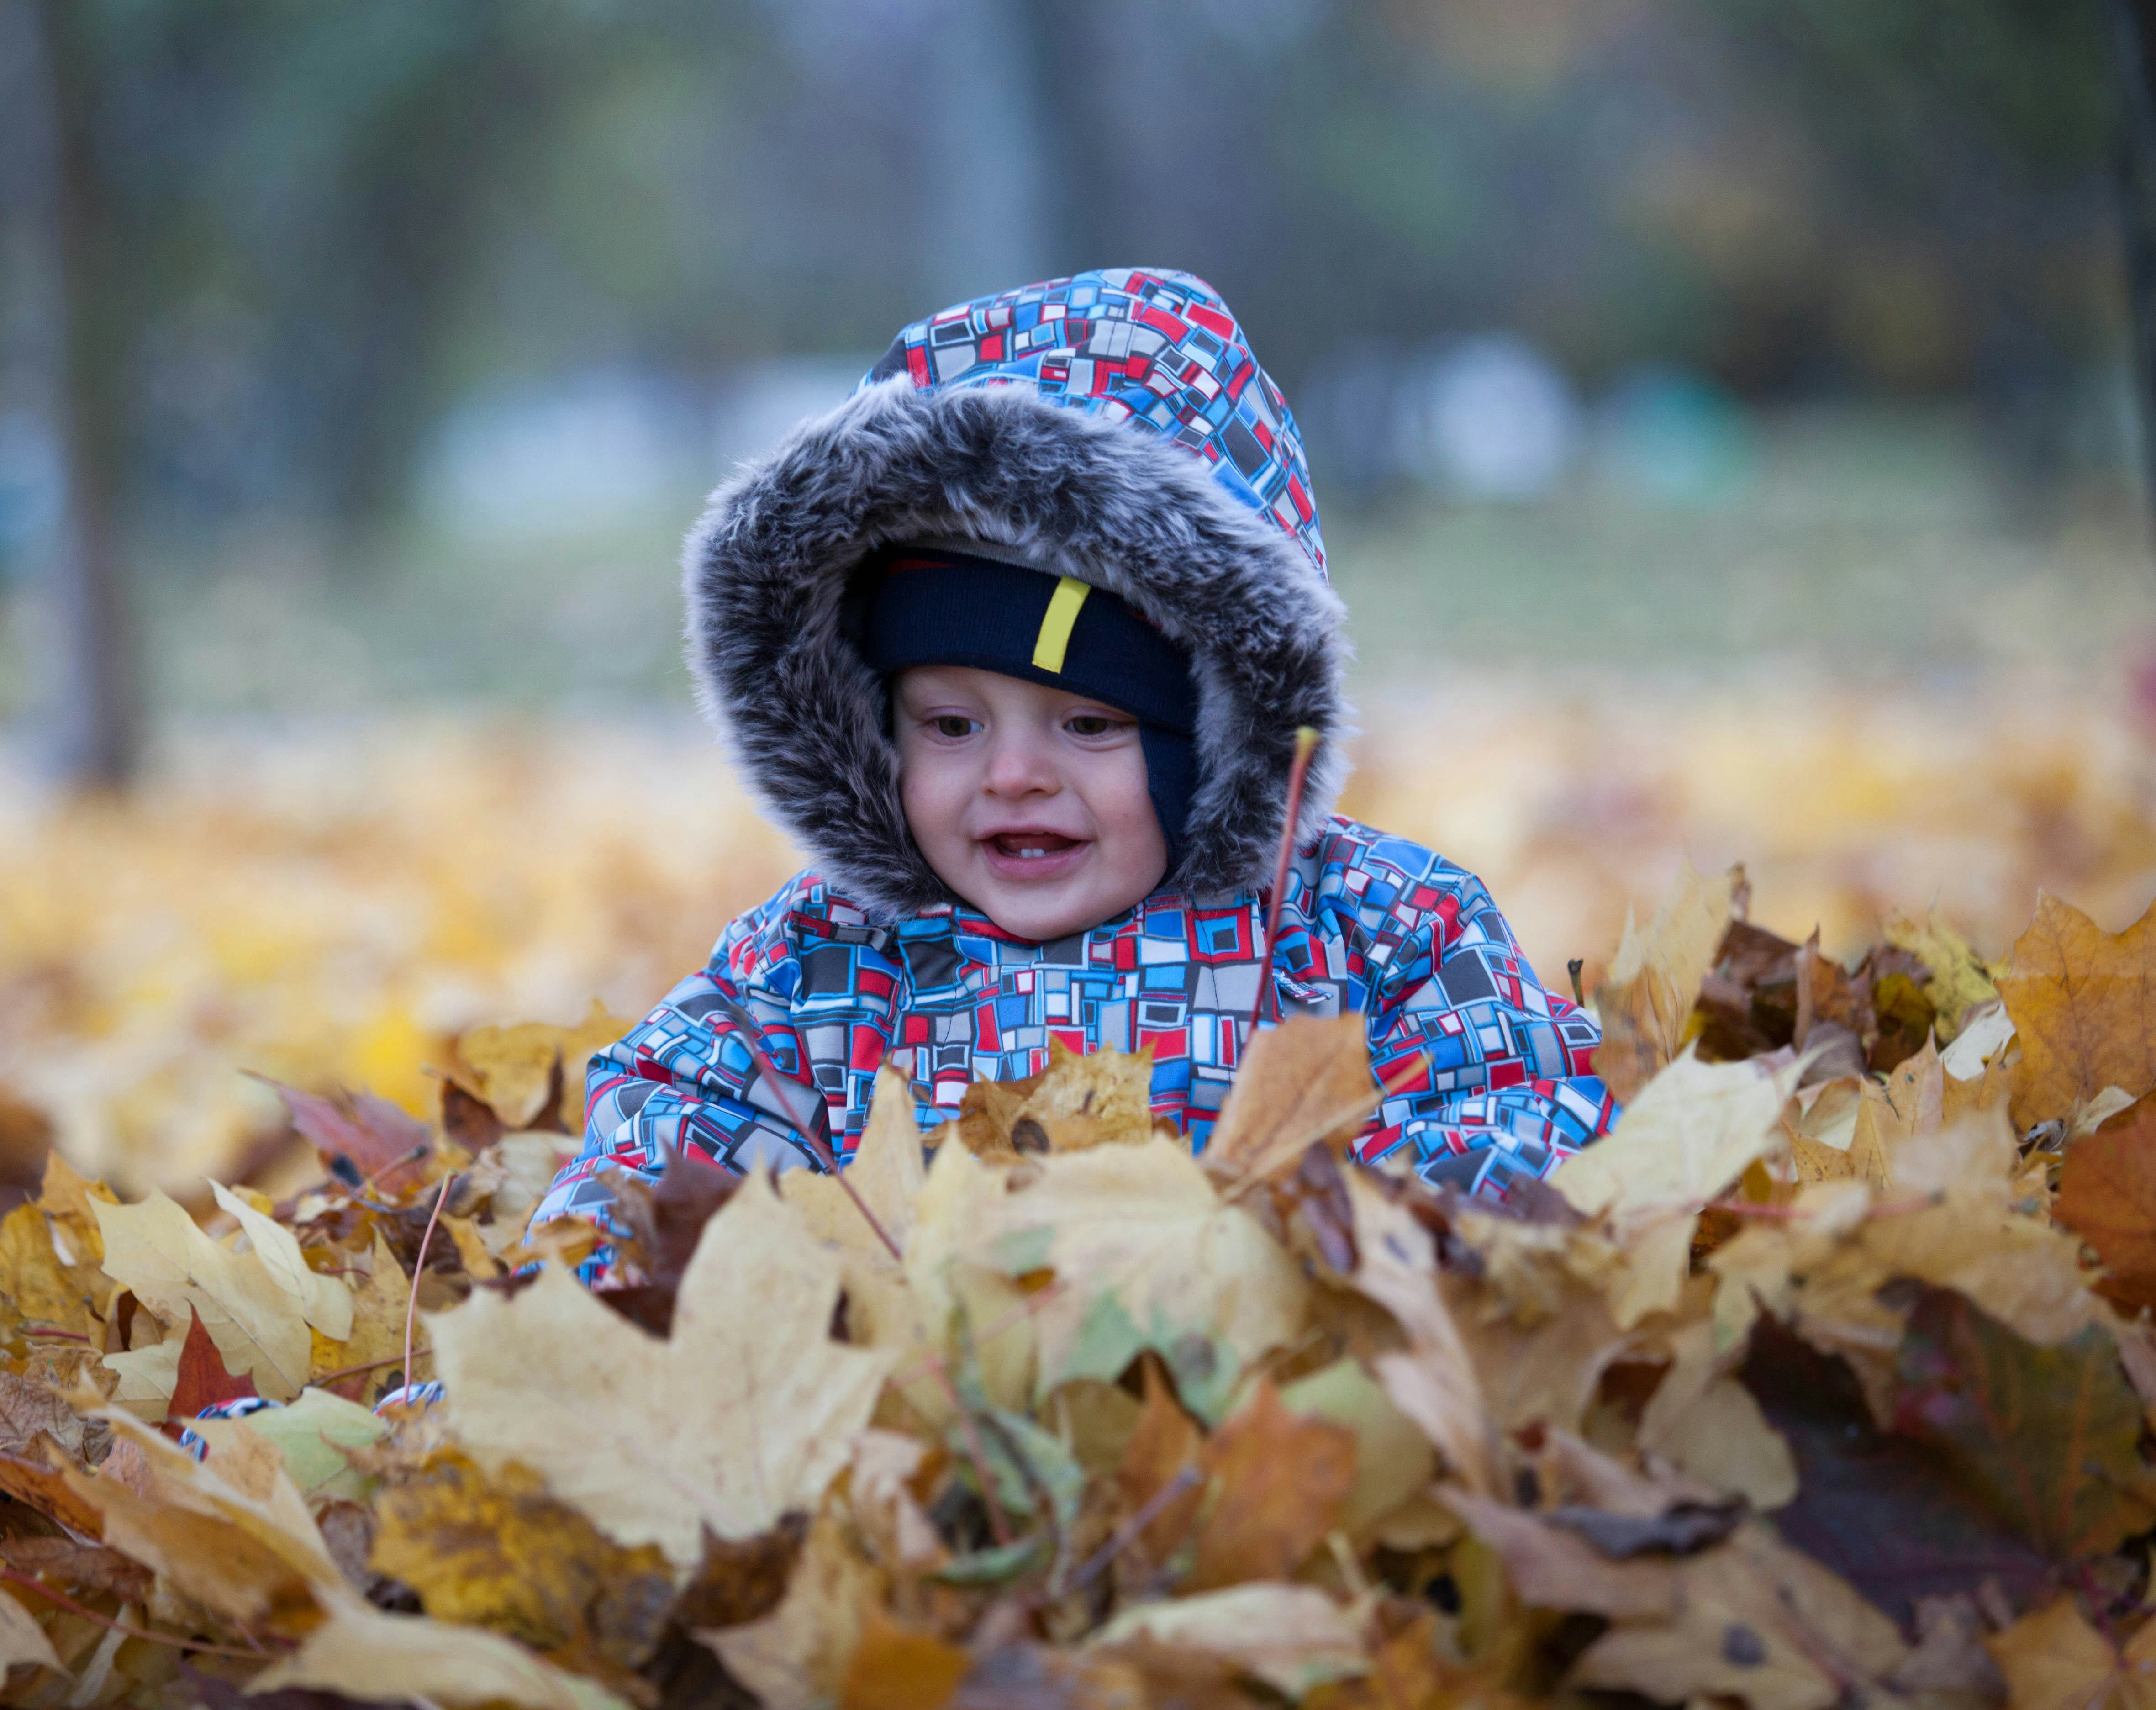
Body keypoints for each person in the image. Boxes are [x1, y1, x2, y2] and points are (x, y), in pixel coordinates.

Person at [531, 268, 1611, 1235]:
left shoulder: (1371, 935)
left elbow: (1507, 1115)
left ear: (1222, 734)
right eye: (951, 727)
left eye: (1090, 724)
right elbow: (657, 1160)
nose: (1012, 777)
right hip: (930, 1423)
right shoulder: (822, 974)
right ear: (869, 723)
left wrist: (1367, 1258)